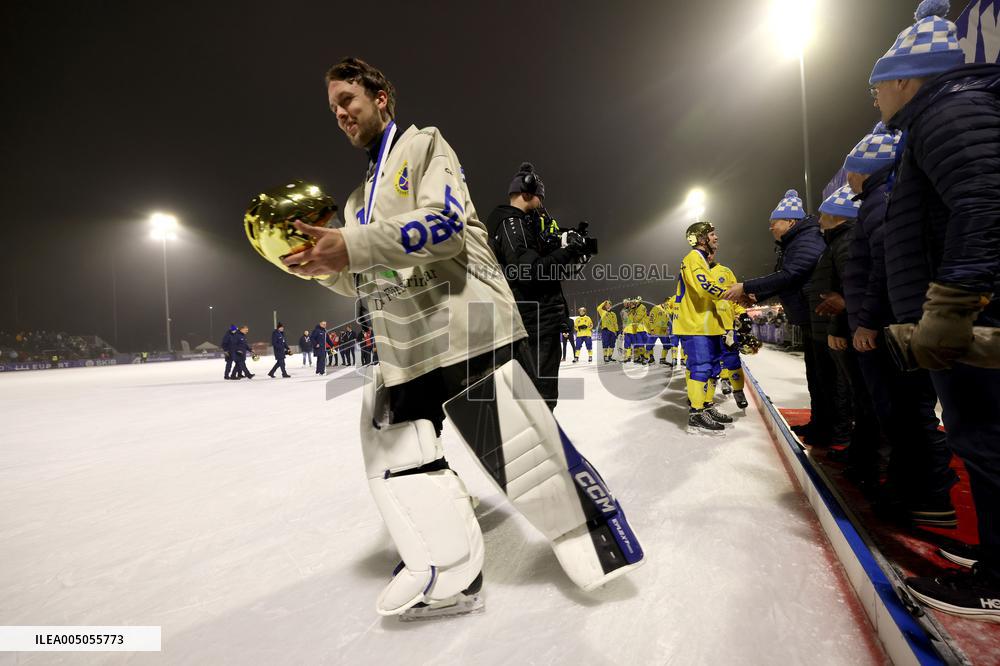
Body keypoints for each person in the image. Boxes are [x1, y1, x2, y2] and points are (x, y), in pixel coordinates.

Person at [279, 57, 642, 617]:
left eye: (347, 99)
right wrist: (323, 265)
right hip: (405, 347)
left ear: (380, 97)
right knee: (395, 452)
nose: (341, 114)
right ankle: (448, 570)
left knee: (521, 452)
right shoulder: (355, 201)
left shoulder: (424, 147)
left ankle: (596, 545)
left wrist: (350, 245)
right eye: (332, 109)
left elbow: (444, 229)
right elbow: (364, 274)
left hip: (466, 325)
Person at [864, 2, 1000, 619]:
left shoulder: (950, 112)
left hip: (975, 314)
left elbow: (984, 203)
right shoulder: (939, 118)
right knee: (979, 438)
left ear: (903, 80)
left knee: (989, 438)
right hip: (969, 312)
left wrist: (950, 305)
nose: (874, 102)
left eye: (877, 87)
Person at [840, 123, 956, 527]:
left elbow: (882, 268)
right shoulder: (878, 201)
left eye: (851, 169)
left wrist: (867, 321)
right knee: (903, 412)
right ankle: (916, 489)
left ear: (865, 170)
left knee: (907, 413)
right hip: (892, 323)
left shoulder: (879, 203)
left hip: (889, 327)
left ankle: (928, 496)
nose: (848, 178)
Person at [723, 189, 827, 441]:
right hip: (809, 316)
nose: (771, 229)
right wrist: (756, 297)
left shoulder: (806, 239)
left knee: (827, 378)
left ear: (790, 221)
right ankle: (821, 425)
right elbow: (785, 282)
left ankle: (835, 431)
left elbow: (791, 274)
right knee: (817, 377)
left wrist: (746, 287)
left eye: (774, 224)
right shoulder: (793, 242)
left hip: (820, 315)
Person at [485, 162, 587, 407]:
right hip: (535, 322)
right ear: (528, 193)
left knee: (537, 399)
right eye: (540, 197)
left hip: (539, 320)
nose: (542, 204)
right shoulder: (512, 223)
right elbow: (529, 272)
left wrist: (568, 250)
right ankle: (538, 444)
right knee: (539, 400)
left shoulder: (522, 224)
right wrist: (567, 251)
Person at [811, 186, 880, 477]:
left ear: (836, 216)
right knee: (859, 396)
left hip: (852, 329)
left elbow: (846, 292)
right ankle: (861, 454)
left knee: (866, 398)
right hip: (847, 326)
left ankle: (872, 463)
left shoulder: (846, 242)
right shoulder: (838, 241)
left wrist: (838, 326)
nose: (818, 220)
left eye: (823, 214)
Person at [675, 222, 731, 432]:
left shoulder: (702, 261)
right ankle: (696, 412)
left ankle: (706, 406)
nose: (716, 238)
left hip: (708, 324)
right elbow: (703, 287)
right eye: (712, 234)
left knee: (714, 367)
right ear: (700, 238)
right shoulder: (692, 258)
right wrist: (734, 292)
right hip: (695, 324)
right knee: (700, 367)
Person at [708, 259, 748, 409]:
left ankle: (738, 391)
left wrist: (742, 314)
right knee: (709, 363)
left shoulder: (725, 271)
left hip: (726, 327)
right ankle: (706, 400)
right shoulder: (694, 272)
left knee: (731, 359)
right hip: (704, 328)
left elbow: (735, 297)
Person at [647, 298, 672, 366]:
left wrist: (667, 328)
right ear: (664, 302)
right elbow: (651, 319)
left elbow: (667, 320)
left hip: (663, 331)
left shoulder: (668, 310)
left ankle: (663, 359)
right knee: (649, 345)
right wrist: (652, 329)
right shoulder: (656, 308)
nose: (668, 304)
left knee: (667, 345)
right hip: (655, 330)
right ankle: (651, 359)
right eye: (668, 303)